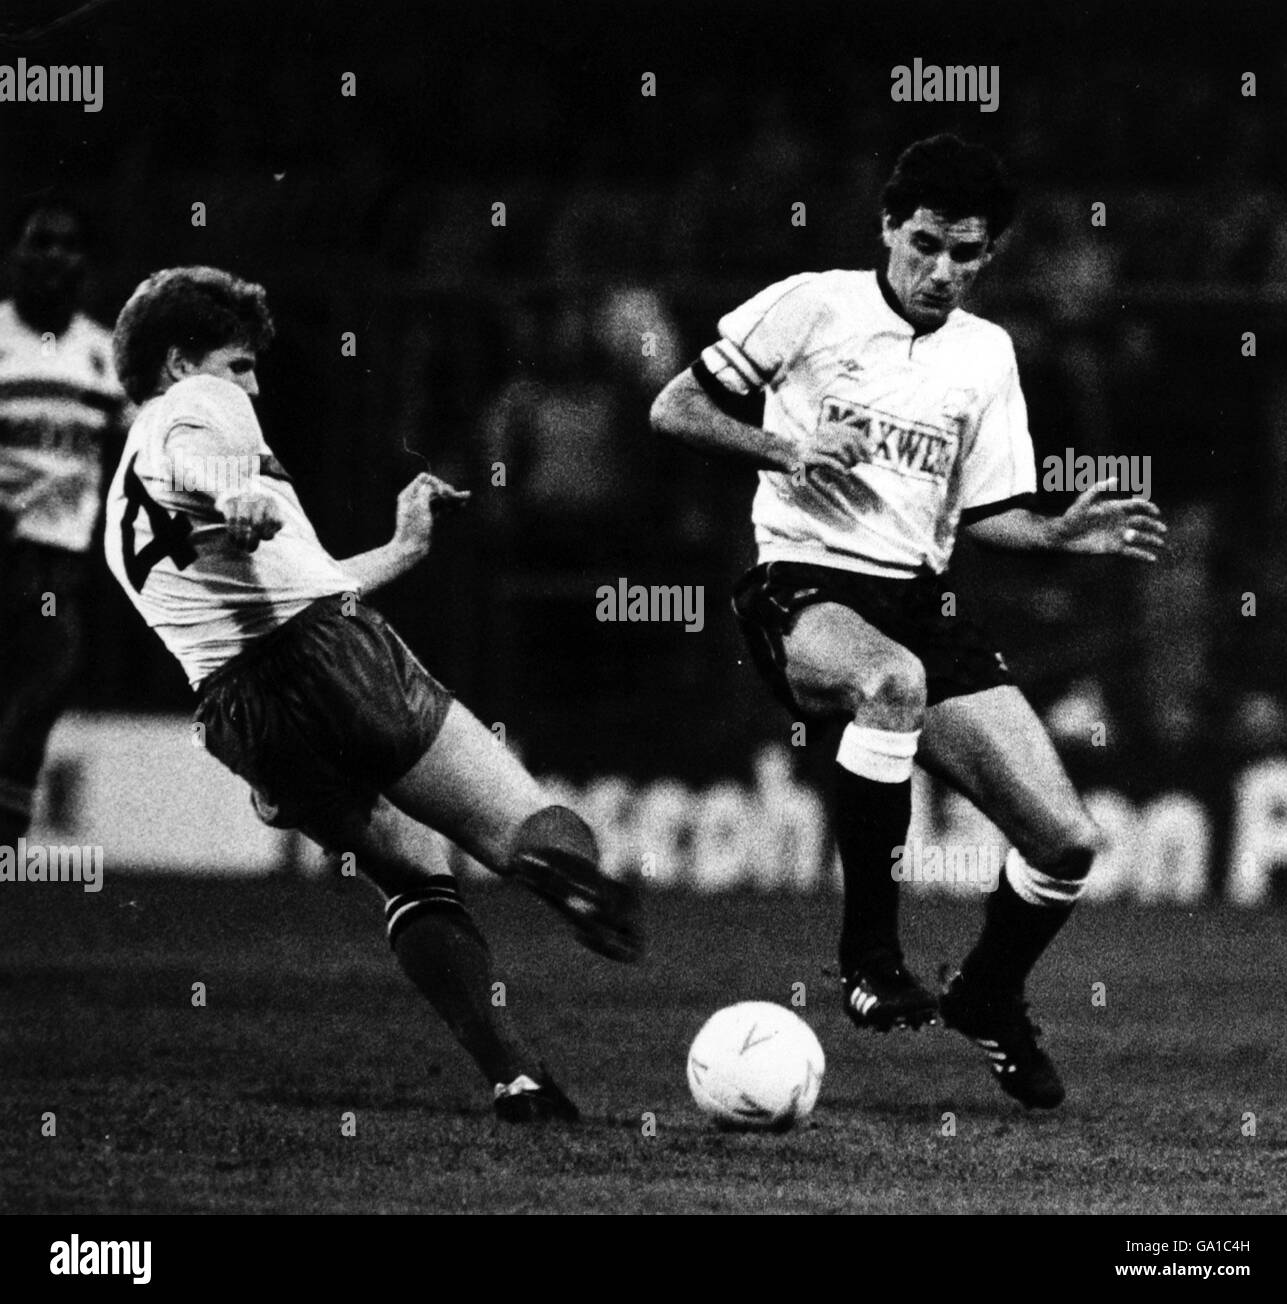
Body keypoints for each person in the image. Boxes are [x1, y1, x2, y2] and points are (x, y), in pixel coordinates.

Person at [650, 135, 1166, 1108]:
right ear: (887, 227)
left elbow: (987, 516)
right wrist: (786, 447)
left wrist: (1057, 530)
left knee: (1066, 841)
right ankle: (869, 959)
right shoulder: (811, 304)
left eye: (966, 254)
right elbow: (674, 407)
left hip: (919, 607)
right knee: (887, 682)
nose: (940, 271)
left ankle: (986, 992)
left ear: (989, 254)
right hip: (799, 585)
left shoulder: (985, 354)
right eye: (924, 243)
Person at [103, 266, 641, 1123]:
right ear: (178, 364)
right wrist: (238, 489)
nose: (252, 382)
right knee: (513, 817)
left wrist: (400, 550)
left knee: (410, 872)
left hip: (241, 714)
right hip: (336, 658)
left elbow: (288, 583)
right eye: (239, 363)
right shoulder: (197, 409)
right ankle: (558, 871)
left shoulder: (119, 508)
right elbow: (209, 460)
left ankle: (517, 1078)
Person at [0, 196, 125, 849]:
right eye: (39, 242)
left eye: (67, 244)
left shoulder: (105, 356)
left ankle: (7, 822)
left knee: (46, 686)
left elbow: (140, 451)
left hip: (58, 565)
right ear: (14, 257)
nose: (53, 257)